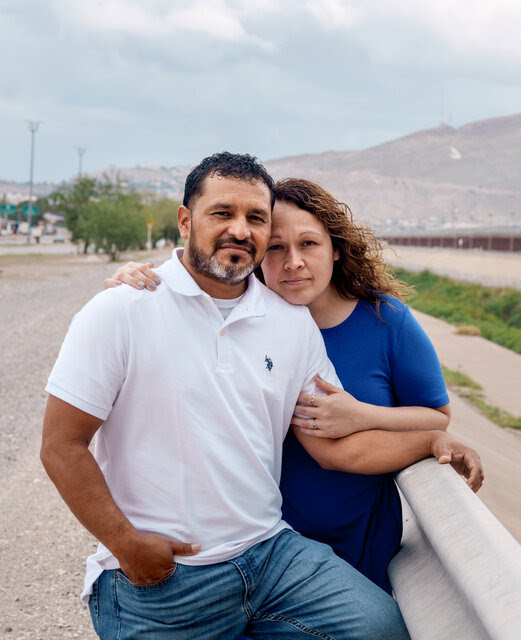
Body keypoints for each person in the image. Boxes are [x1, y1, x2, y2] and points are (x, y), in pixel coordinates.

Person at [42, 152, 480, 640]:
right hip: (167, 576)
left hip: (271, 553)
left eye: (256, 218)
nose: (240, 229)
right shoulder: (121, 310)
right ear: (186, 221)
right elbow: (62, 445)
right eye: (222, 213)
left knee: (379, 627)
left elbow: (331, 445)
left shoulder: (292, 323)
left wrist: (430, 443)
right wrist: (125, 545)